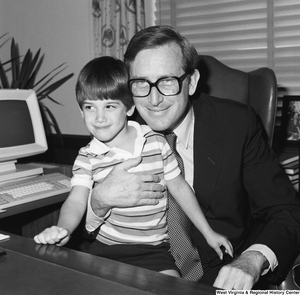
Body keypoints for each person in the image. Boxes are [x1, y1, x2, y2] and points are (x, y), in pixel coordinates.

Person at [84, 26, 300, 290]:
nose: (154, 99)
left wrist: (251, 260)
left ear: (192, 81)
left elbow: (285, 210)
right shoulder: (114, 129)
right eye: (141, 83)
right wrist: (98, 201)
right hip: (134, 274)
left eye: (167, 81)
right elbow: (82, 230)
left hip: (217, 276)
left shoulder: (236, 124)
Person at [33, 56, 233, 277]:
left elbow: (180, 188)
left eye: (109, 106)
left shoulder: (156, 141)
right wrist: (63, 229)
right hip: (105, 250)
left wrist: (208, 232)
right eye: (90, 107)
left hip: (153, 251)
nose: (99, 117)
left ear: (129, 108)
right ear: (81, 111)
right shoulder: (87, 156)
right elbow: (76, 200)